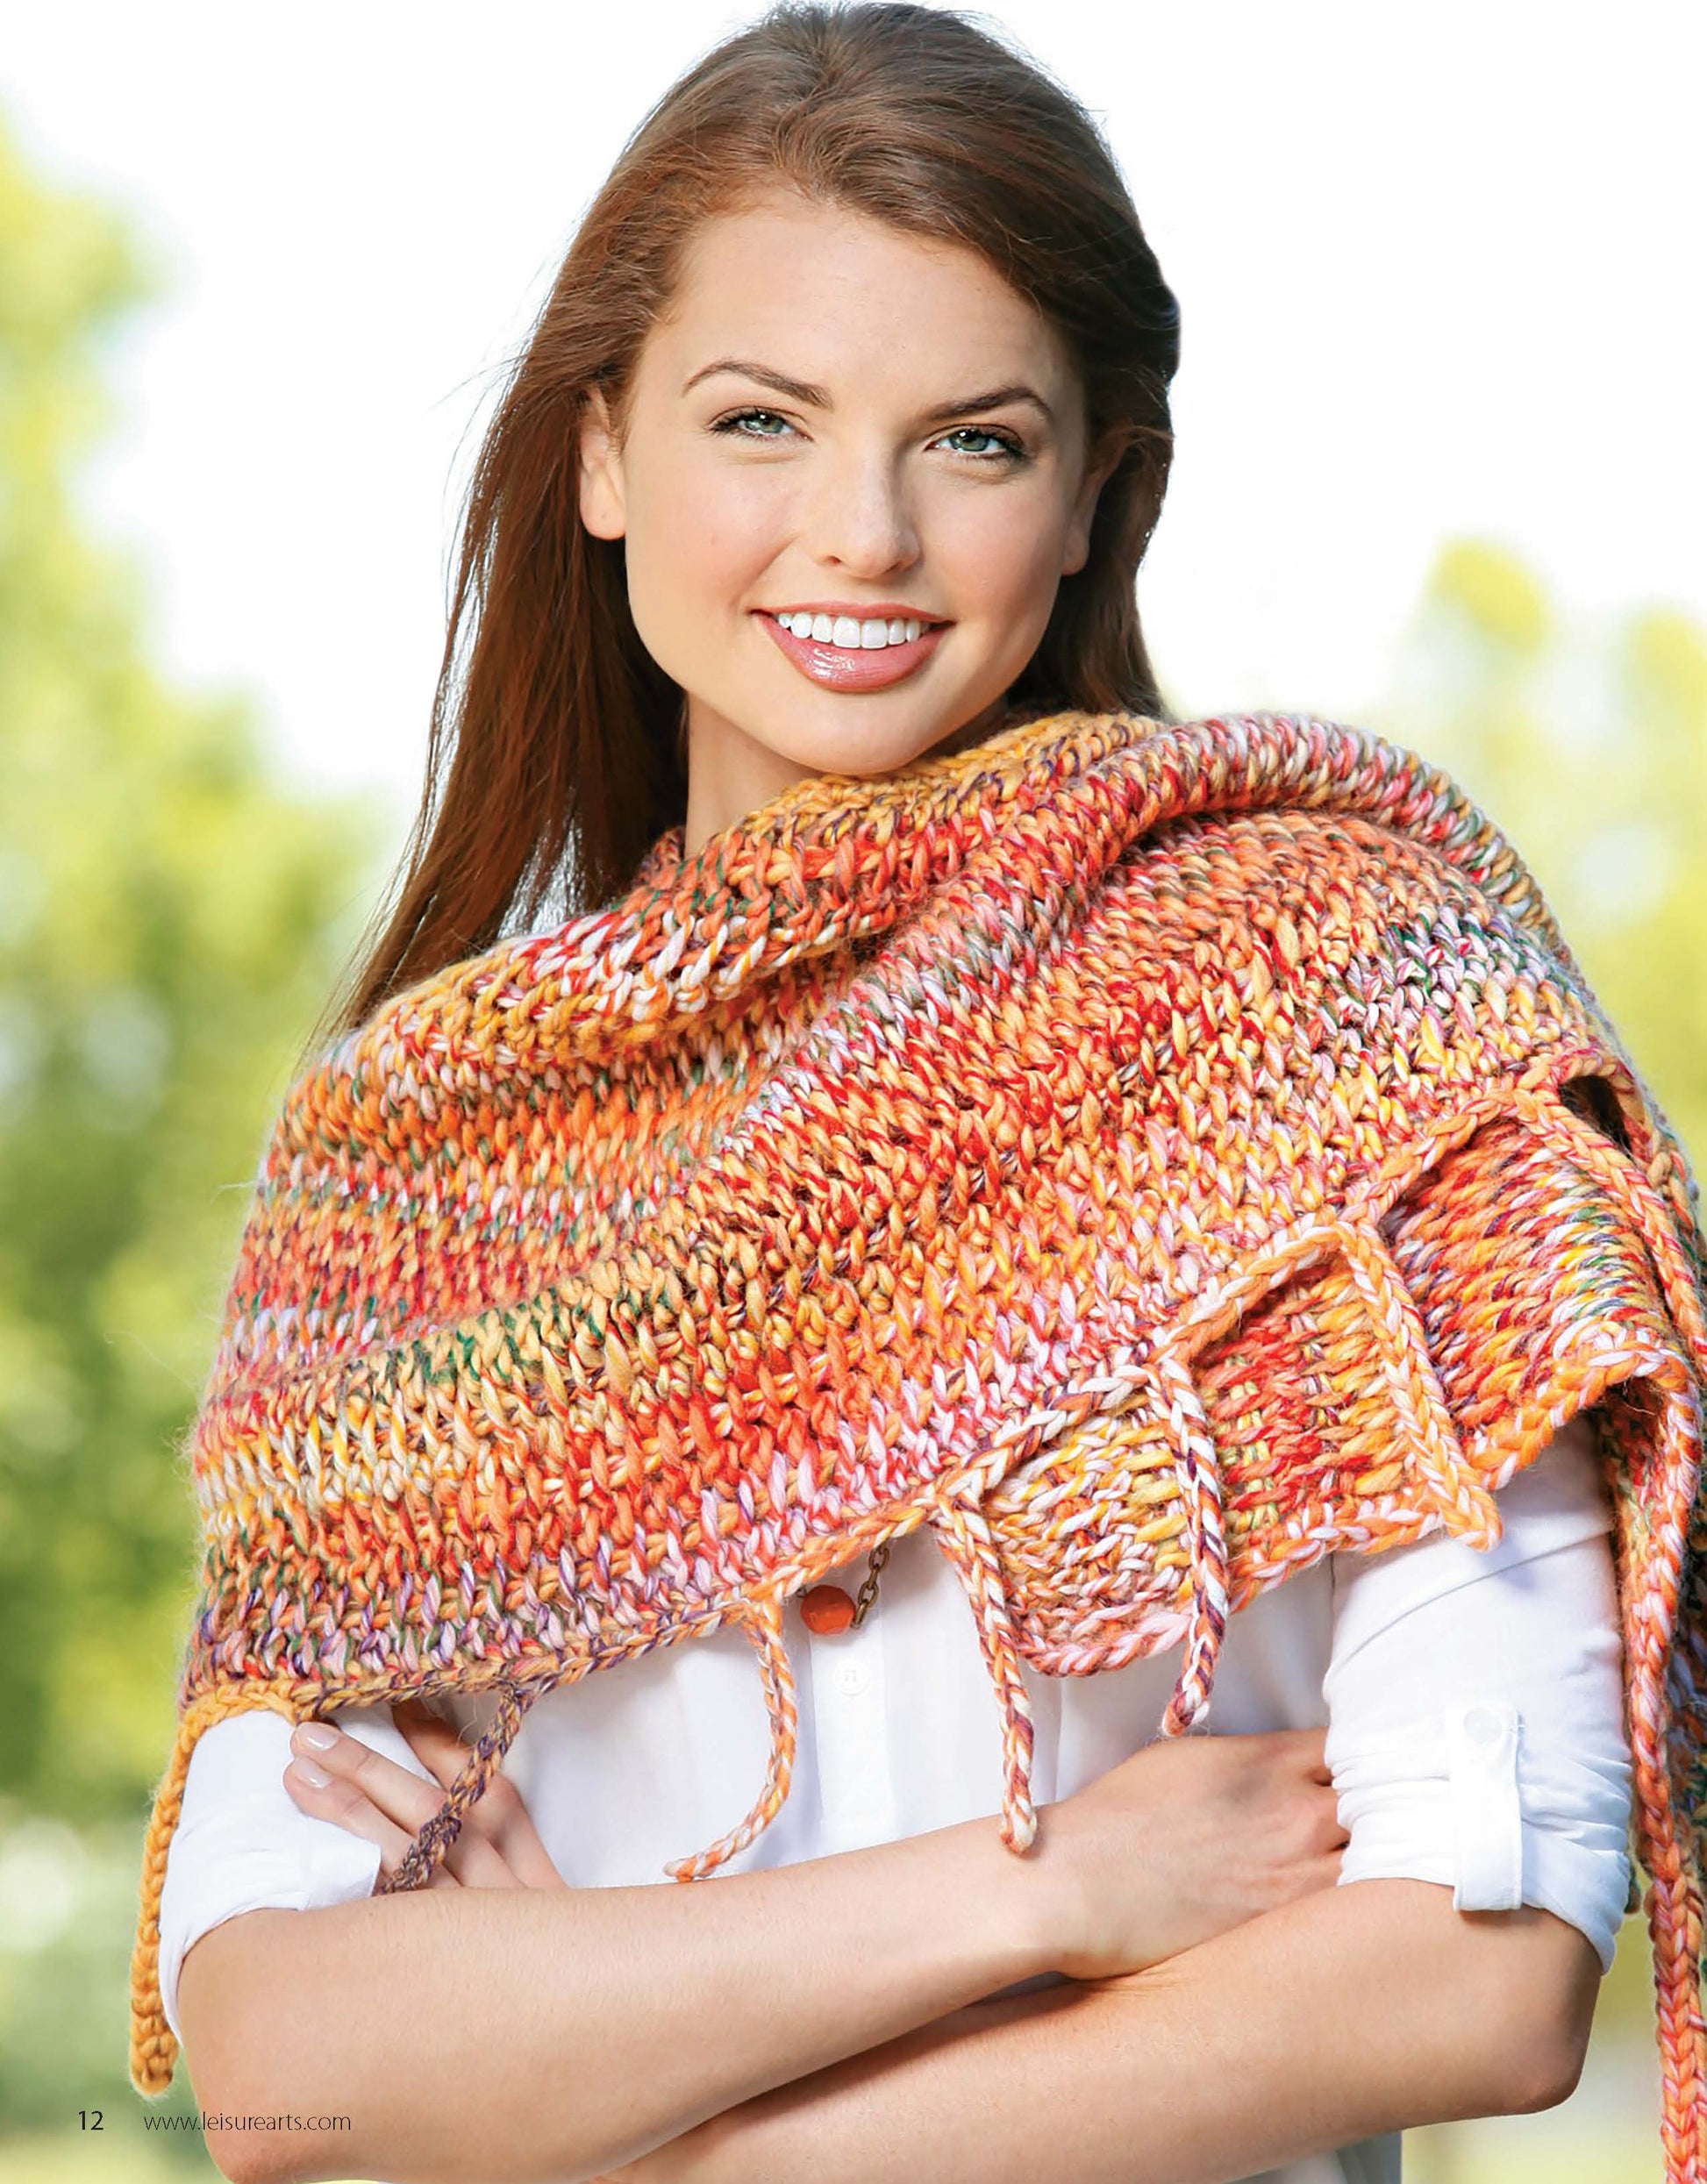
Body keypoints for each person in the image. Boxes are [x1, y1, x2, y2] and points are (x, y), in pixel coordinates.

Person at [161, 8, 1638, 2181]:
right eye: (759, 419)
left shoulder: (1346, 1012)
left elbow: (1479, 1970)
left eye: (970, 441)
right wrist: (1039, 1894)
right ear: (599, 455)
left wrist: (637, 2131)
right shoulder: (419, 1163)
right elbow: (281, 2069)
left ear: (1096, 492)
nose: (857, 533)